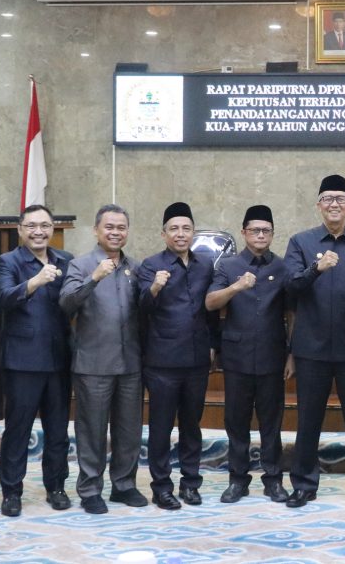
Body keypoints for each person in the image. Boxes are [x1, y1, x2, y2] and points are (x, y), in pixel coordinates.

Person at [283, 174, 345, 508]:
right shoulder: (301, 242)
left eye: (341, 198)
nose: (334, 204)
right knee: (308, 419)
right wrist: (316, 268)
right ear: (318, 205)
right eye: (328, 198)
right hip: (312, 347)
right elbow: (290, 287)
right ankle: (304, 485)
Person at [59, 204, 147, 514]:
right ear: (97, 230)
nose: (115, 232)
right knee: (92, 431)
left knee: (129, 431)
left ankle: (124, 486)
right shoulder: (81, 265)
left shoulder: (136, 267)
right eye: (109, 227)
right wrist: (94, 278)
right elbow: (67, 304)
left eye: (121, 227)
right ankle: (90, 489)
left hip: (131, 364)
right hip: (93, 364)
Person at [206, 205, 292, 505]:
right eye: (254, 230)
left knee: (272, 422)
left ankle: (273, 480)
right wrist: (237, 286)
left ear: (272, 234)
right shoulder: (227, 266)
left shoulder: (282, 267)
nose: (260, 235)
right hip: (237, 357)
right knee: (236, 422)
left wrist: (291, 354)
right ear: (243, 232)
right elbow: (211, 302)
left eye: (266, 231)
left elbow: (292, 312)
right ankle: (237, 480)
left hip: (272, 355)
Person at [136, 202, 219, 510]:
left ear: (193, 232)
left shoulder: (205, 264)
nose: (180, 234)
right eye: (174, 229)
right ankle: (161, 486)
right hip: (161, 362)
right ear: (164, 233)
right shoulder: (150, 265)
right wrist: (155, 287)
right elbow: (141, 308)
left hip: (197, 360)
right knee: (160, 427)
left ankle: (190, 483)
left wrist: (214, 346)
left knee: (191, 425)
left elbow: (210, 311)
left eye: (186, 228)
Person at [0, 204, 73, 517]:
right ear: (20, 230)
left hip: (59, 360)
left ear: (53, 228)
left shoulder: (65, 260)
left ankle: (56, 487)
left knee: (57, 431)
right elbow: (3, 298)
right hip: (23, 362)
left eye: (45, 225)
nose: (39, 231)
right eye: (32, 226)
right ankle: (11, 492)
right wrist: (36, 281)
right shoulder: (7, 261)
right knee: (18, 430)